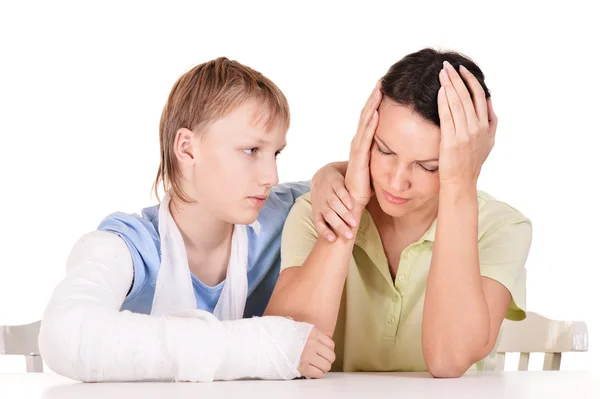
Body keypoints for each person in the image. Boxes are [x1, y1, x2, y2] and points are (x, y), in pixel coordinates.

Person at [38, 57, 350, 382]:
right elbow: (65, 336)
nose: (271, 176)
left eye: (276, 153)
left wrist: (327, 174)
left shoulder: (284, 214)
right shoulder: (128, 247)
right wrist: (262, 348)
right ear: (187, 149)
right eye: (251, 150)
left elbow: (379, 176)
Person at [265, 48, 533, 378]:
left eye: (427, 166)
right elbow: (278, 348)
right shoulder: (316, 209)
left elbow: (448, 360)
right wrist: (350, 206)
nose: (396, 181)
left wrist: (460, 185)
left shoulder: (502, 228)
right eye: (385, 150)